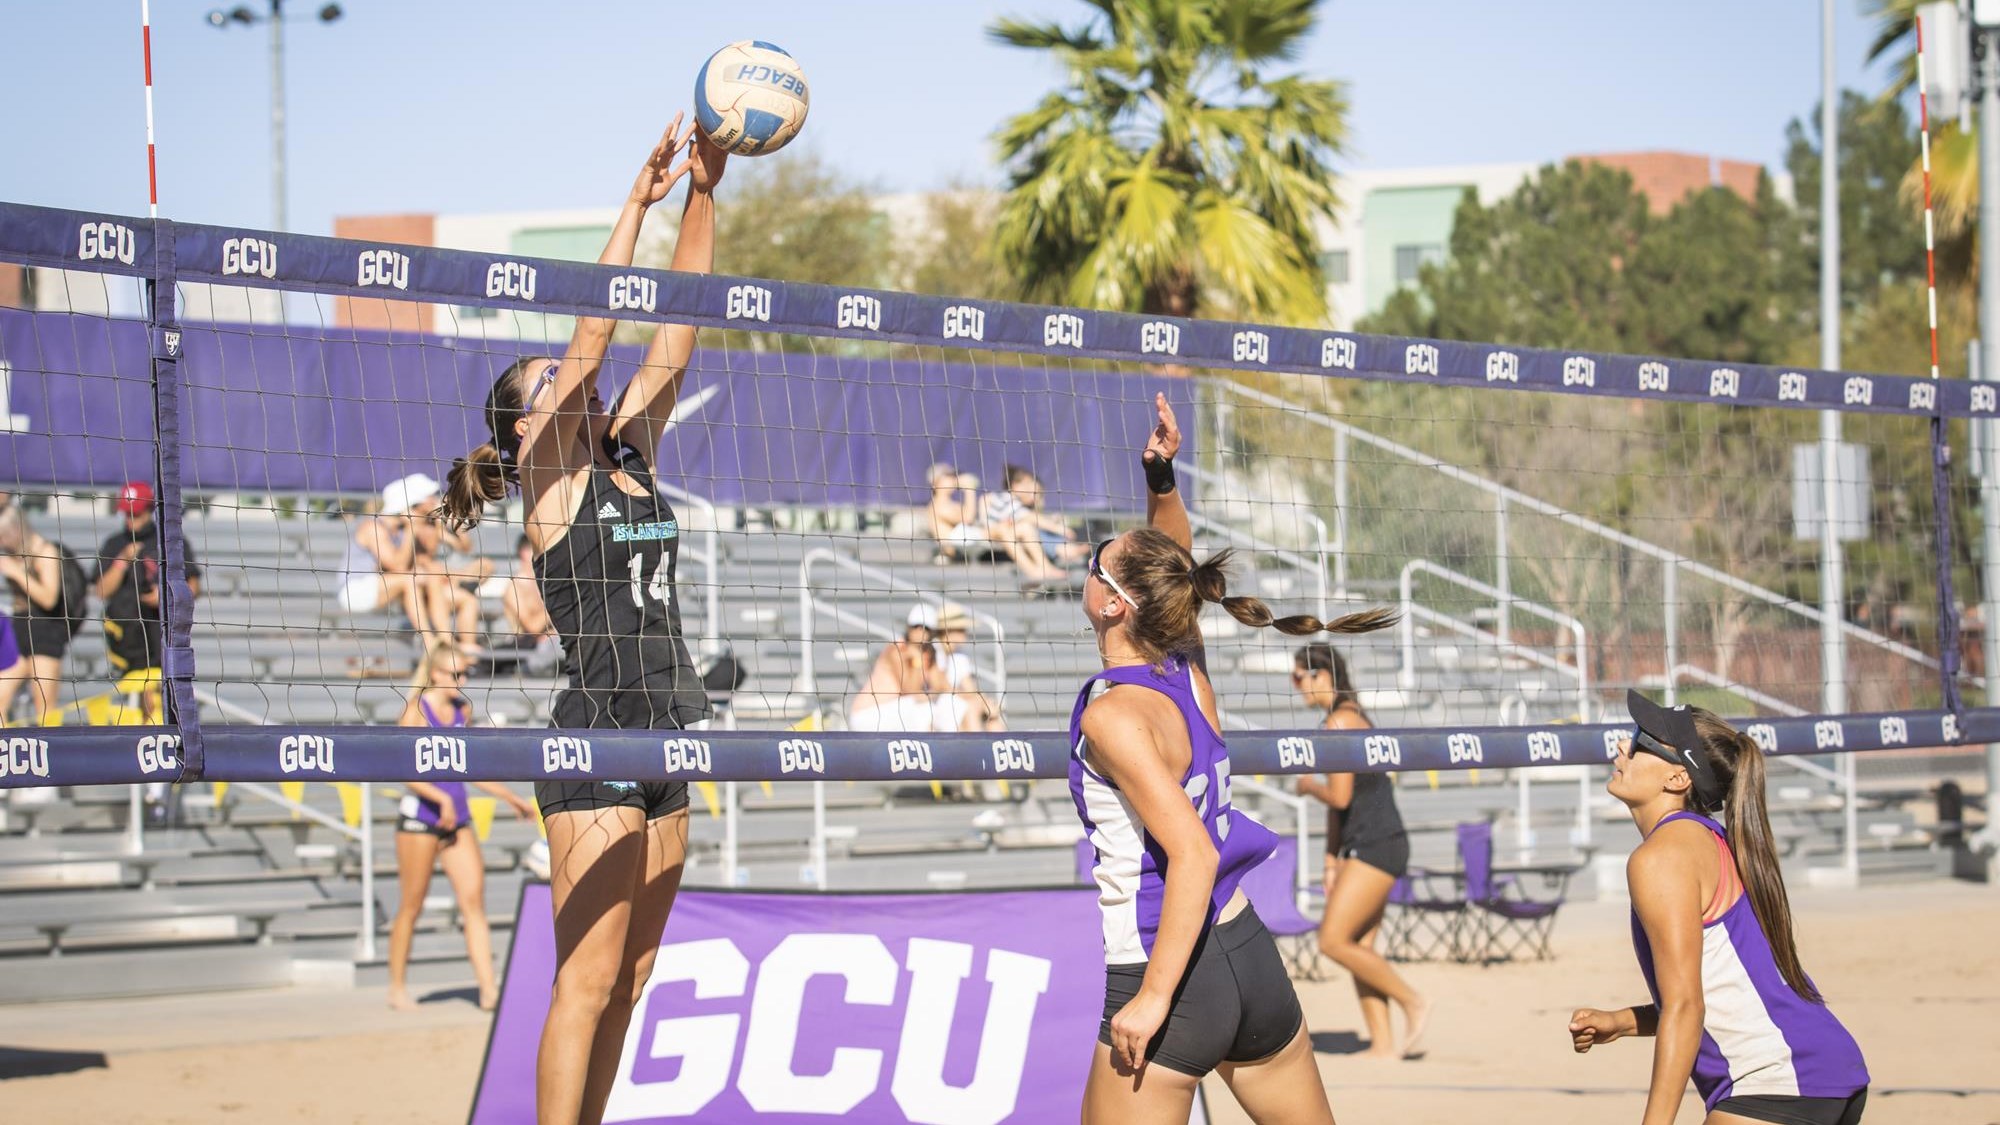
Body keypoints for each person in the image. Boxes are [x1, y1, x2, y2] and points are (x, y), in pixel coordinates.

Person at [435, 115, 723, 1125]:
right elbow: (594, 336)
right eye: (549, 382)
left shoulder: (630, 450)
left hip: (668, 728)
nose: (571, 377)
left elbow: (680, 321)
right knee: (587, 982)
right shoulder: (550, 476)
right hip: (595, 734)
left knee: (633, 979)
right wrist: (634, 205)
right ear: (526, 425)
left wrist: (705, 191)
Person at [1070, 392, 1397, 1123]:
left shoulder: (1113, 714)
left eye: (1096, 560)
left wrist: (1154, 997)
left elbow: (1192, 853)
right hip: (1247, 951)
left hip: (1165, 964)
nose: (1088, 563)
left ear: (1114, 604)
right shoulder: (1184, 667)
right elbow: (1173, 567)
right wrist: (1161, 479)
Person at [1569, 691, 1870, 1125]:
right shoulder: (1712, 840)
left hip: (1776, 1082)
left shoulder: (1662, 857)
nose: (1622, 746)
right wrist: (1622, 1021)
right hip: (1827, 1071)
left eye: (1639, 742)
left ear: (1678, 778)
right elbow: (1720, 991)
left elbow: (1686, 1007)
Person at [1288, 643, 1428, 1061]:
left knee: (1332, 941)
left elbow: (1340, 797)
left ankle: (1413, 1000)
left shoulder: (1340, 722)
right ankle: (1382, 1044)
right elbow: (1341, 810)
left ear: (1321, 676)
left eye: (1297, 677)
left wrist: (1308, 785)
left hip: (1377, 843)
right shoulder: (1344, 717)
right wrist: (1330, 860)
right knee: (1360, 947)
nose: (1295, 687)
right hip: (1370, 841)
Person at [386, 639, 534, 1013]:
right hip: (421, 818)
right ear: (435, 673)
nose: (462, 680)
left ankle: (488, 989)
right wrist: (439, 798)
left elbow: (467, 768)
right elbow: (401, 768)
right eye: (455, 674)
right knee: (411, 905)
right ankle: (397, 987)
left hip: (458, 819)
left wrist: (509, 796)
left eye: (465, 673)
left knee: (473, 903)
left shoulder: (461, 710)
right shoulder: (415, 711)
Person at [94, 481, 201, 724]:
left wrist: (165, 596)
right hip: (127, 638)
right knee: (135, 699)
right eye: (127, 514)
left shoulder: (170, 542)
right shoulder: (114, 543)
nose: (131, 520)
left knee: (163, 696)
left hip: (162, 633)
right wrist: (122, 561)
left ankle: (164, 731)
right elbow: (101, 590)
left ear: (149, 510)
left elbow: (194, 586)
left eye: (137, 514)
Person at [334, 475, 461, 649]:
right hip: (355, 590)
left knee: (429, 576)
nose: (433, 501)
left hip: (382, 586)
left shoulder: (399, 530)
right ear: (409, 506)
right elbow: (399, 566)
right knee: (410, 580)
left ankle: (445, 638)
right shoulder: (374, 527)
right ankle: (429, 641)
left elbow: (419, 563)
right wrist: (412, 528)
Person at [0, 507, 86, 725]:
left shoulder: (46, 552)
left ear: (15, 531)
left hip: (45, 635)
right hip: (19, 632)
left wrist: (16, 573)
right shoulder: (15, 555)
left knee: (45, 711)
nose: (2, 543)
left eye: (3, 537)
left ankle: (48, 747)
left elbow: (49, 598)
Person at [982, 465, 1086, 581]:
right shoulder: (1005, 498)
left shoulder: (1018, 503)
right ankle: (1035, 569)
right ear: (1014, 486)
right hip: (993, 531)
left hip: (1010, 531)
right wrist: (1059, 528)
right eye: (1027, 486)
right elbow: (1027, 516)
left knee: (1026, 528)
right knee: (1026, 527)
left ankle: (1047, 567)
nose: (1031, 491)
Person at [925, 463, 989, 564]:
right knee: (999, 531)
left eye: (953, 476)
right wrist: (969, 489)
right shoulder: (937, 505)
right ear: (936, 482)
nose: (953, 479)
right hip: (953, 555)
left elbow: (969, 516)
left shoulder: (952, 504)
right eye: (948, 477)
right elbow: (968, 518)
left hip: (965, 552)